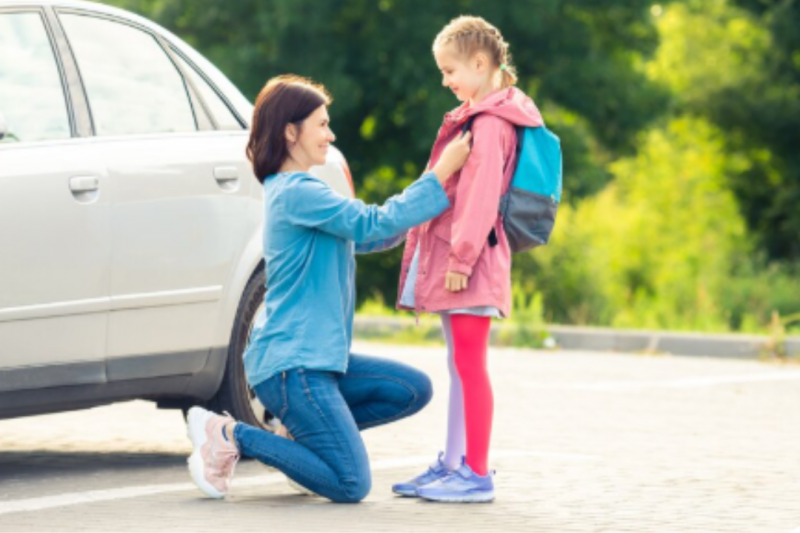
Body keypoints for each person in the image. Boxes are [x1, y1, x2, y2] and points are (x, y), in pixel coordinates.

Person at [184, 74, 472, 503]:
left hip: (318, 361)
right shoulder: (296, 192)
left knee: (411, 389)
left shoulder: (304, 193)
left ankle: (301, 437)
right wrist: (440, 171)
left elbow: (376, 234)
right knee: (350, 483)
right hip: (292, 367)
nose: (330, 134)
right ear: (290, 132)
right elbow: (375, 221)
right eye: (321, 124)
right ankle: (228, 432)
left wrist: (440, 199)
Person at [391, 15, 544, 503]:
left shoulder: (492, 122)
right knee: (460, 364)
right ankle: (454, 463)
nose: (445, 81)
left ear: (480, 64)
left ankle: (475, 473)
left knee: (470, 365)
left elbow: (478, 200)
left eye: (450, 70)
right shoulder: (481, 115)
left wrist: (459, 261)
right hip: (467, 263)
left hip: (471, 266)